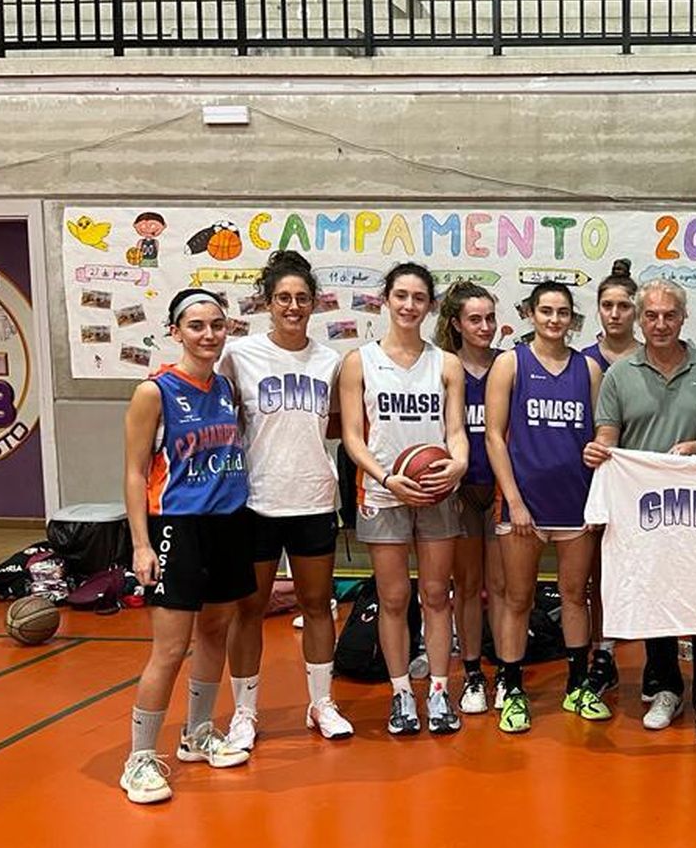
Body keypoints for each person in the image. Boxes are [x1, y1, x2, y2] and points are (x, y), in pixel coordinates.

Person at [118, 289, 253, 804]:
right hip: (177, 526)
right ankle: (139, 758)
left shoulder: (223, 387)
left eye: (217, 325)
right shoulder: (154, 392)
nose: (208, 334)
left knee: (215, 632)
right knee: (170, 648)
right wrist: (139, 544)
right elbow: (133, 473)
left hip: (229, 524)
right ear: (176, 332)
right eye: (196, 326)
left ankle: (197, 735)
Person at [582, 279, 696, 734]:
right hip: (645, 511)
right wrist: (599, 451)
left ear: (684, 318)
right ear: (639, 318)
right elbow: (608, 438)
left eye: (670, 315)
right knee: (656, 597)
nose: (661, 324)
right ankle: (666, 686)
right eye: (652, 316)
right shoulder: (620, 374)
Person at [216, 250, 351, 750]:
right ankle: (245, 712)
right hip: (256, 500)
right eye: (283, 298)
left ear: (314, 304)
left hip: (314, 496)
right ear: (268, 304)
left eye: (301, 298)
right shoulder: (242, 355)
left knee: (318, 605)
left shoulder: (330, 360)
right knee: (247, 610)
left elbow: (338, 423)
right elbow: (221, 417)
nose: (293, 306)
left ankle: (321, 703)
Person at [339, 262, 469, 738]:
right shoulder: (359, 361)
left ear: (430, 305)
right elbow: (353, 438)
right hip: (383, 491)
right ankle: (400, 693)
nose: (409, 305)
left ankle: (437, 692)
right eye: (401, 296)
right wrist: (388, 477)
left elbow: (455, 432)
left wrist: (457, 464)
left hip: (436, 491)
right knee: (393, 598)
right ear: (386, 300)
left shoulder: (446, 363)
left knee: (437, 595)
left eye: (419, 297)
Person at [484, 282, 606, 732]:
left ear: (573, 319)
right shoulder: (511, 363)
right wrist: (513, 500)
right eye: (546, 311)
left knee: (576, 596)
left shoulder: (588, 369)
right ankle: (512, 689)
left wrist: (598, 498)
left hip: (575, 504)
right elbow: (494, 436)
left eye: (562, 313)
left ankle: (577, 685)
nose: (555, 320)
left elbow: (599, 437)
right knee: (518, 599)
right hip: (525, 508)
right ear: (532, 314)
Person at [435, 279, 507, 716]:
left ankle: (503, 673)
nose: (485, 327)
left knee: (501, 587)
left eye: (490, 318)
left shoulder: (508, 366)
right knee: (466, 587)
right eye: (475, 319)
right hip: (459, 493)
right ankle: (473, 673)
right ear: (457, 324)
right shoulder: (444, 367)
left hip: (498, 491)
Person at [580, 259, 644, 698]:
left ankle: (656, 659)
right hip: (596, 482)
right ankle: (602, 652)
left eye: (624, 305)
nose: (616, 313)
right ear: (599, 310)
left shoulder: (652, 356)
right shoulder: (581, 361)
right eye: (608, 305)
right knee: (599, 575)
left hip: (645, 487)